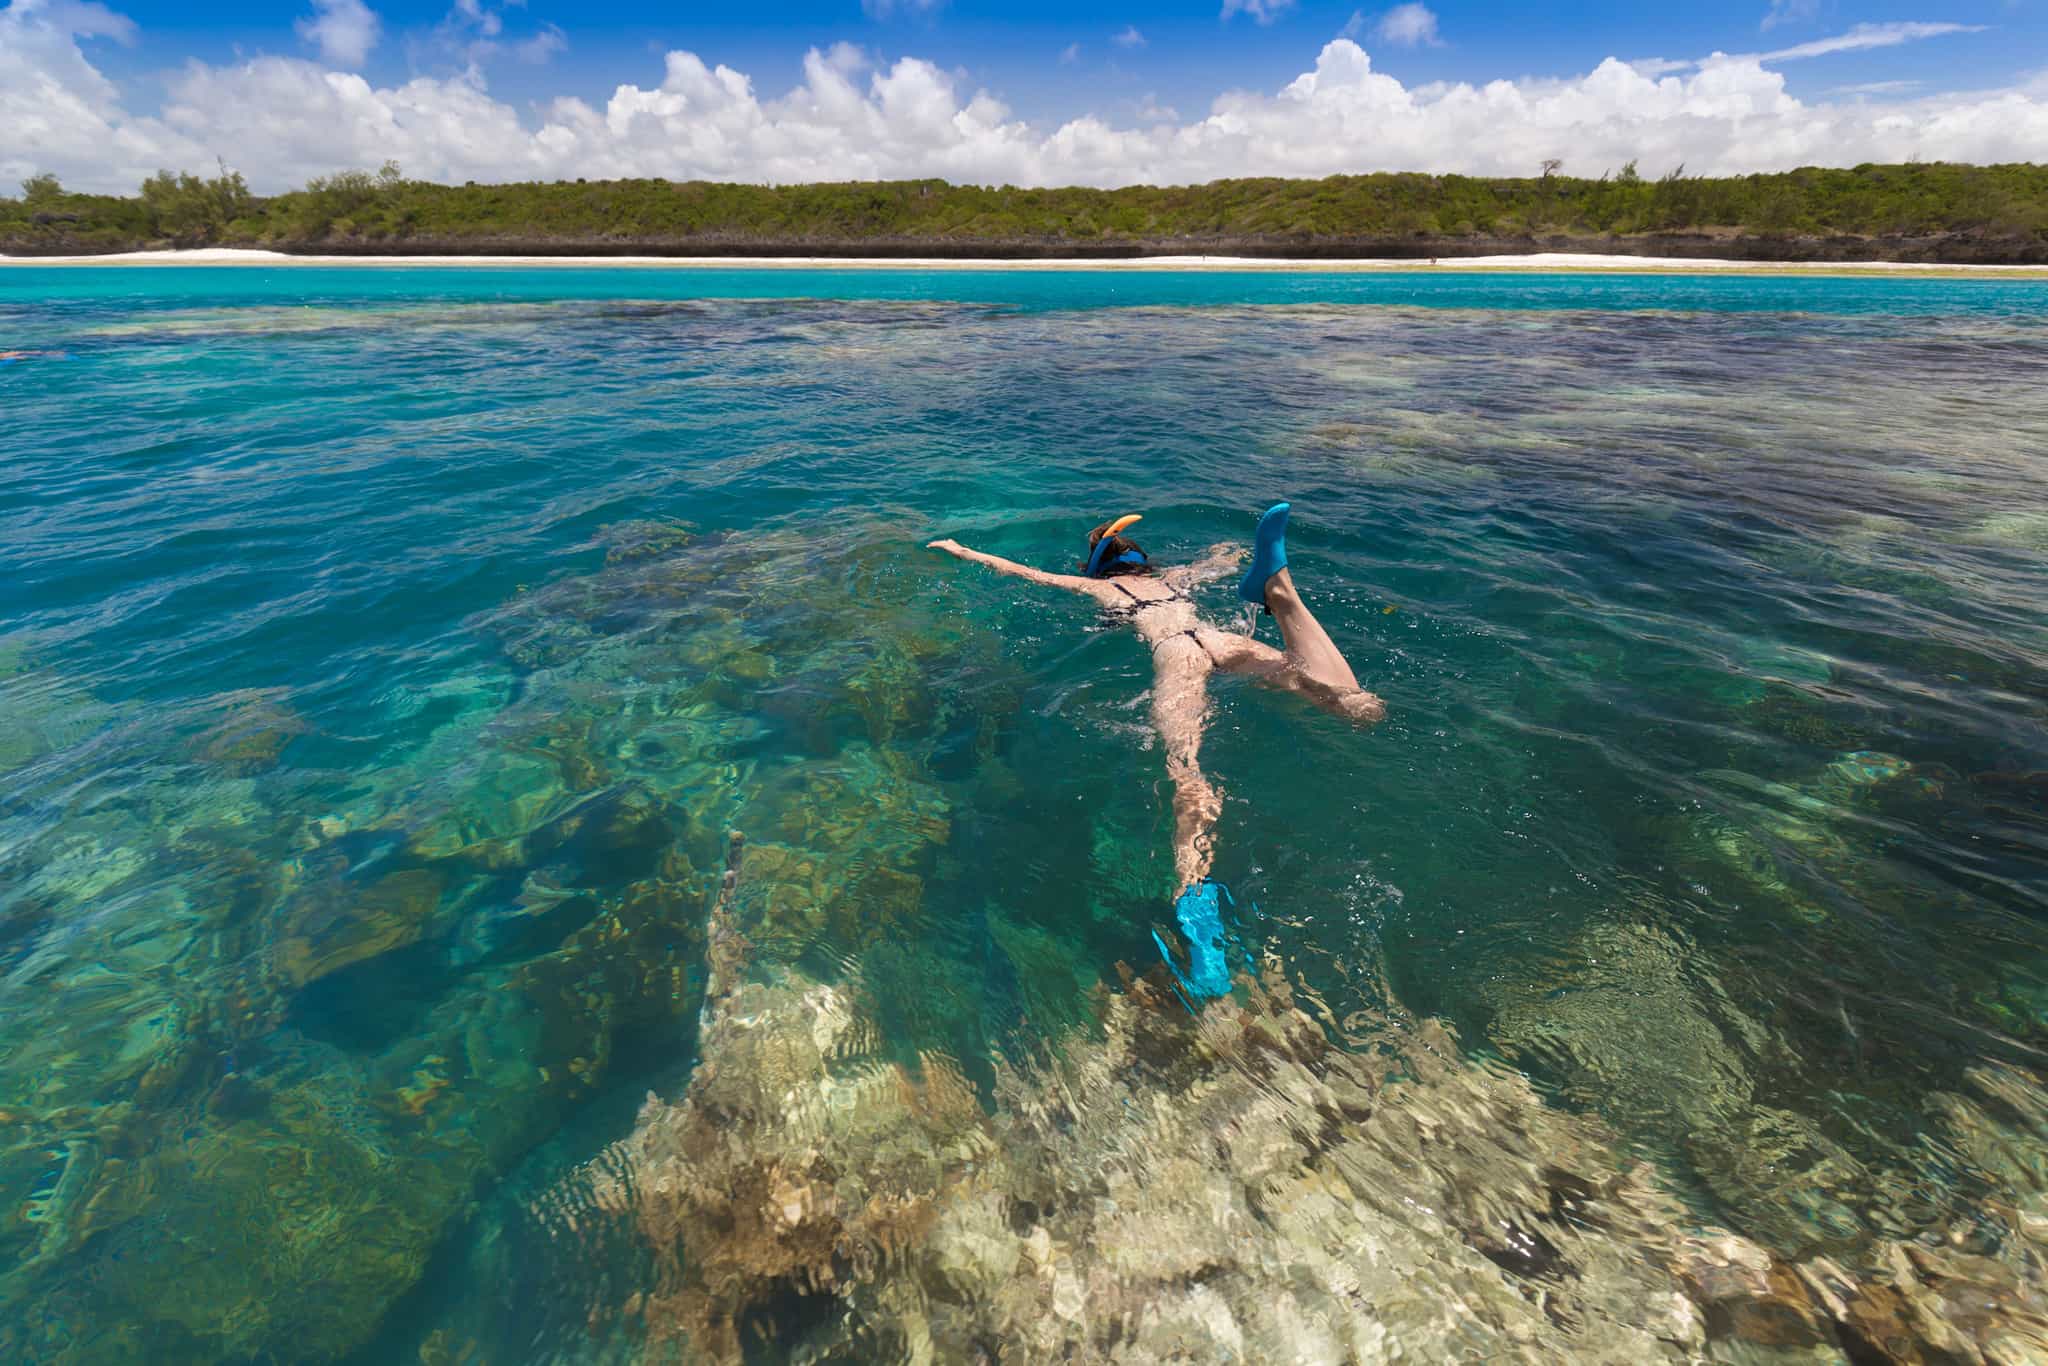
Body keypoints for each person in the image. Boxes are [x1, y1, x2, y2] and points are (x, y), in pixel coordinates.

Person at [928, 503, 1383, 999]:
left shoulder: (1098, 588)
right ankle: (1279, 593)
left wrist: (960, 550)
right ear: (1141, 561)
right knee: (1358, 708)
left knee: (1187, 773)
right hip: (1220, 640)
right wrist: (1225, 551)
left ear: (1095, 566)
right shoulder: (1177, 578)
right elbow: (1226, 557)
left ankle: (1194, 898)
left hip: (1179, 656)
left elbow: (1023, 572)